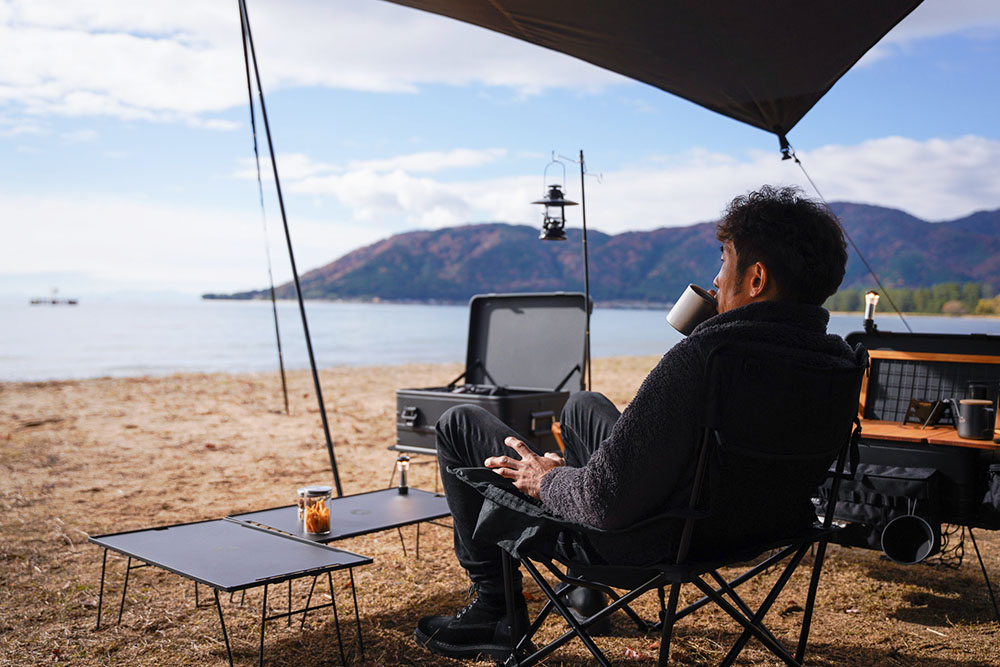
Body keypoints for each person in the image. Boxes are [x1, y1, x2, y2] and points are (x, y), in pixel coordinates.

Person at [414, 185, 858, 661]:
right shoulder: (836, 363)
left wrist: (549, 479)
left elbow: (602, 502)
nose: (715, 278)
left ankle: (494, 610)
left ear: (756, 278)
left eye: (724, 260)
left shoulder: (704, 360)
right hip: (751, 526)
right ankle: (589, 595)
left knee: (460, 423)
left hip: (649, 539)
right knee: (584, 404)